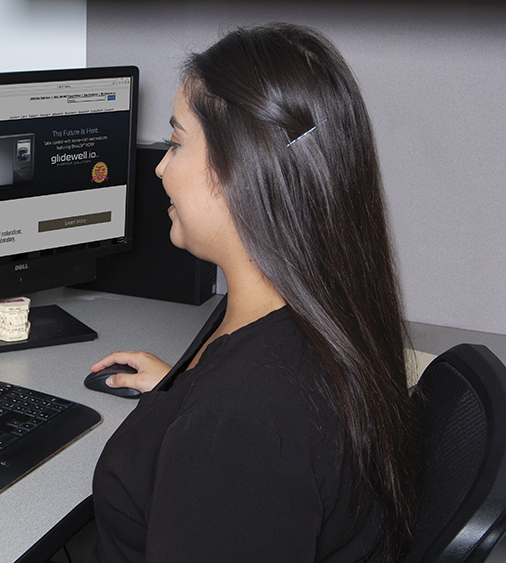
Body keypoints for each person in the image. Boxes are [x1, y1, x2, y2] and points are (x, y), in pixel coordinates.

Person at [88, 24, 420, 562]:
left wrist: (212, 420)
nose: (160, 167)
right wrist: (182, 393)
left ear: (241, 168)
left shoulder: (242, 430)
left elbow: (247, 432)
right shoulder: (314, 311)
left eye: (175, 143)